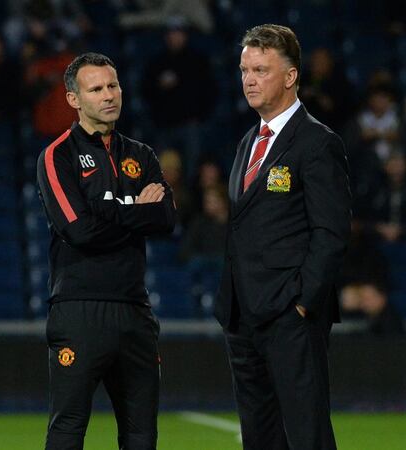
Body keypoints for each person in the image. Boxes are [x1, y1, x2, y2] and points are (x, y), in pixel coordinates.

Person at [214, 25, 351, 450]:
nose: (249, 80)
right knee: (259, 437)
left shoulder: (317, 142)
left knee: (306, 434)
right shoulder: (248, 143)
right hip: (244, 317)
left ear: (290, 76)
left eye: (261, 70)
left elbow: (331, 232)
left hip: (290, 317)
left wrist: (303, 303)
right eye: (244, 70)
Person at [36, 52, 176, 450]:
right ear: (74, 99)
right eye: (96, 89)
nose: (108, 95)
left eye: (112, 85)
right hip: (79, 310)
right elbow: (79, 230)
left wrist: (106, 211)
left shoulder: (141, 155)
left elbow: (166, 219)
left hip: (135, 310)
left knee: (141, 434)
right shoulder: (57, 156)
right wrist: (137, 210)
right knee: (68, 429)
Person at [141, 21, 213, 176]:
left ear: (185, 36)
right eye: (172, 33)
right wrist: (160, 87)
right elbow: (145, 92)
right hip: (164, 126)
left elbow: (210, 91)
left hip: (190, 124)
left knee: (192, 168)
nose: (175, 37)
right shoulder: (157, 62)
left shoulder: (197, 61)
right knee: (163, 171)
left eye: (179, 33)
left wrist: (199, 115)